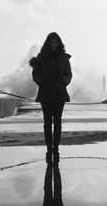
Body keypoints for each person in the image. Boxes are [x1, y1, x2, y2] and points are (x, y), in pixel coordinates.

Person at [29, 32, 72, 164]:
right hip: (46, 94)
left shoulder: (64, 58)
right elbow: (35, 73)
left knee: (58, 122)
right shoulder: (41, 56)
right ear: (48, 43)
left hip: (59, 93)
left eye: (55, 42)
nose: (53, 44)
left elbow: (69, 74)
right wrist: (40, 82)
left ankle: (56, 149)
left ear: (59, 43)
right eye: (51, 42)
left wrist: (65, 81)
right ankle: (49, 150)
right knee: (47, 123)